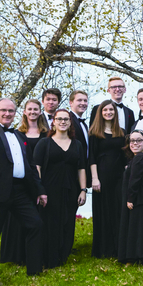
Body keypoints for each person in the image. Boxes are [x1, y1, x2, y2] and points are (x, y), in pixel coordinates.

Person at [0, 98, 47, 286]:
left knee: (35, 224)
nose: (7, 114)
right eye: (3, 110)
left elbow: (30, 166)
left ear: (16, 113)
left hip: (21, 191)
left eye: (11, 111)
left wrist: (40, 190)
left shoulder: (19, 135)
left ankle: (34, 270)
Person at [34, 109, 87, 268]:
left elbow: (81, 169)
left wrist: (83, 190)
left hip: (70, 189)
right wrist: (40, 190)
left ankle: (62, 256)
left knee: (67, 222)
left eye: (66, 119)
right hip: (49, 190)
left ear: (70, 123)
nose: (63, 122)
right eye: (59, 119)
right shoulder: (44, 143)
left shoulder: (77, 145)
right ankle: (48, 258)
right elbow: (37, 167)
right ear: (53, 122)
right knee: (49, 223)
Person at [0, 99, 49, 265]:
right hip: (20, 181)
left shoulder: (47, 134)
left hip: (39, 179)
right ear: (24, 112)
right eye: (30, 109)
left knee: (36, 219)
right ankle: (15, 255)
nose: (33, 112)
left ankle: (35, 256)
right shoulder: (17, 133)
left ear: (40, 112)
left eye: (36, 109)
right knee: (16, 219)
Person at [89, 100, 126, 258]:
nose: (108, 112)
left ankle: (118, 247)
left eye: (111, 110)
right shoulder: (94, 133)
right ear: (100, 113)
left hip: (119, 176)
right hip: (102, 175)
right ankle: (103, 249)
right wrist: (95, 178)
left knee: (118, 209)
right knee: (103, 210)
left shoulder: (122, 132)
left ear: (115, 112)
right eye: (105, 110)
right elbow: (91, 157)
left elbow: (125, 156)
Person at [118, 130, 143, 266]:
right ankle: (132, 257)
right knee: (135, 228)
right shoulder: (136, 158)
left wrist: (130, 198)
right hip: (140, 199)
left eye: (139, 140)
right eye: (132, 141)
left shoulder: (141, 157)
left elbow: (135, 180)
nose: (135, 143)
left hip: (141, 199)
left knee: (142, 229)